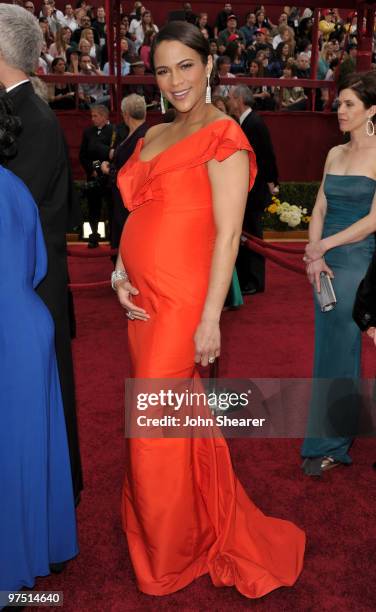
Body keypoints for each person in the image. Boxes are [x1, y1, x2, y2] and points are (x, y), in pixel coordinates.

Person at [113, 20, 305, 599]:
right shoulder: (155, 134)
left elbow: (227, 235)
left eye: (186, 66)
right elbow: (138, 215)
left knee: (153, 429)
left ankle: (174, 553)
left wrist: (210, 318)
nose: (175, 81)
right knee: (169, 426)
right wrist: (120, 273)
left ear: (210, 64)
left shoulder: (222, 133)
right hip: (141, 302)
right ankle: (180, 529)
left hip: (180, 307)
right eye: (164, 70)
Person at [0, 3, 83, 501]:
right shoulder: (25, 111)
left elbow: (14, 216)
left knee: (40, 403)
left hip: (28, 287)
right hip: (27, 282)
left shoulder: (29, 118)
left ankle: (49, 500)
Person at [0, 90, 78, 593]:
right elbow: (38, 266)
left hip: (9, 333)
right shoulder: (13, 187)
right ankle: (36, 558)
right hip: (28, 327)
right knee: (29, 451)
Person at [301, 71, 376, 476]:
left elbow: (374, 221)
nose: (340, 111)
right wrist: (314, 253)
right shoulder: (334, 153)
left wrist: (325, 247)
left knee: (341, 347)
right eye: (339, 104)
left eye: (349, 104)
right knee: (327, 348)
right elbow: (319, 208)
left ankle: (331, 442)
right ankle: (334, 430)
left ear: (372, 110)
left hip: (357, 261)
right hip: (324, 263)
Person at [229, 85, 278, 294]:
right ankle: (246, 278)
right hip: (246, 191)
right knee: (246, 236)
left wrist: (272, 183)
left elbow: (266, 156)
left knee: (253, 236)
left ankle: (255, 281)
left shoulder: (254, 123)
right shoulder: (246, 122)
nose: (229, 101)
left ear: (240, 100)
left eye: (231, 97)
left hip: (254, 192)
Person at [101, 94, 147, 252]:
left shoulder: (142, 136)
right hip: (122, 198)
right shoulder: (136, 134)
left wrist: (110, 170)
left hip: (129, 201)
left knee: (129, 242)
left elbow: (135, 170)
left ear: (126, 114)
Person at [79, 104, 115, 247]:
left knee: (111, 208)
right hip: (93, 176)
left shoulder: (114, 131)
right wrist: (93, 169)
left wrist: (104, 169)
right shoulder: (88, 132)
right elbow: (84, 155)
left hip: (109, 178)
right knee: (93, 207)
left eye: (95, 116)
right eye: (92, 116)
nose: (92, 119)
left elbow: (113, 154)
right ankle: (93, 237)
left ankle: (113, 237)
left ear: (105, 116)